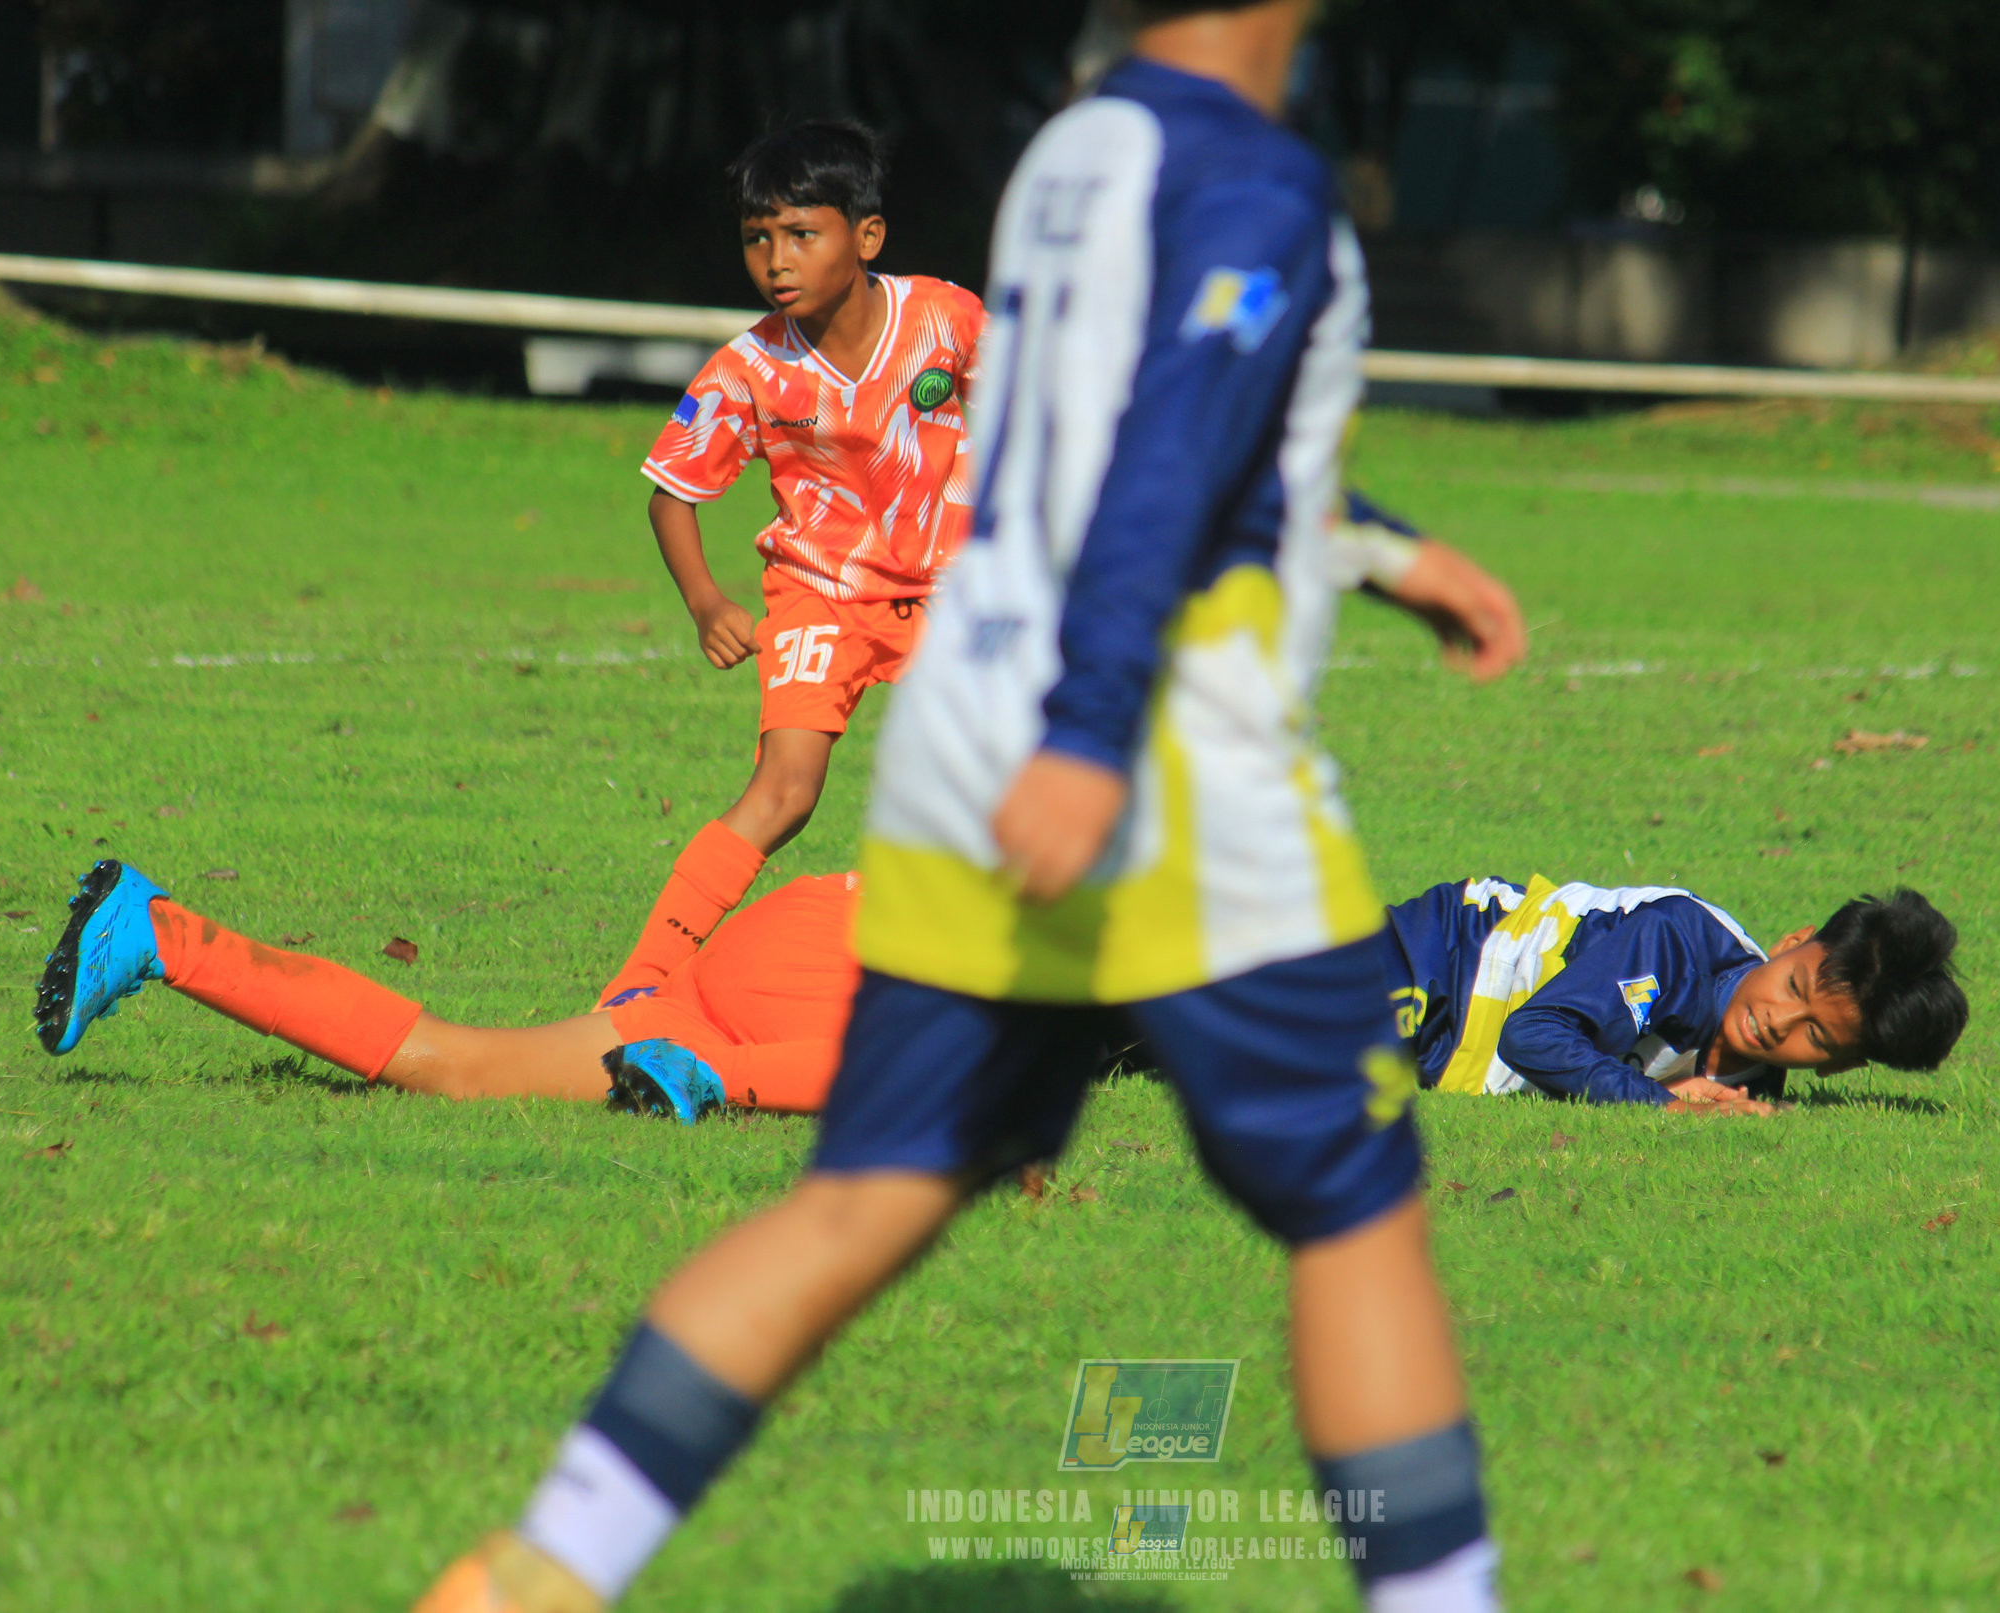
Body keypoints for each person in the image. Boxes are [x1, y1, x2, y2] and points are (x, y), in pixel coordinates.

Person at [411, 2, 1529, 1611]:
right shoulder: (1251, 180)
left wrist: (1382, 550)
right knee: (1356, 1217)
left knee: (869, 1195)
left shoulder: (1075, 150)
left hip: (959, 735)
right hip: (1162, 766)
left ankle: (535, 1569)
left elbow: (1116, 425)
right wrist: (1089, 733)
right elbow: (1165, 463)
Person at [600, 119, 986, 1010]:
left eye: (801, 234)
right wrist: (707, 602)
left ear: (867, 236)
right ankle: (635, 988)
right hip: (821, 593)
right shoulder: (748, 369)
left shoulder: (945, 319)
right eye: (756, 238)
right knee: (785, 791)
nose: (776, 260)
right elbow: (671, 494)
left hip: (954, 589)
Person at [30, 859, 856, 1118]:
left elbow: (768, 803)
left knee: (457, 1066)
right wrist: (717, 1074)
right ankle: (704, 1077)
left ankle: (158, 933)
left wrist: (646, 979)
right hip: (816, 978)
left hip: (757, 970)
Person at [1387, 877, 1968, 1114]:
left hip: (1449, 1054)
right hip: (1443, 954)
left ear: (1838, 1064)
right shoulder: (1679, 939)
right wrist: (1660, 1103)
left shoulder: (1751, 1089)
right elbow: (1531, 1035)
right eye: (1794, 985)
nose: (1779, 1020)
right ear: (1791, 943)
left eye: (1815, 1034)